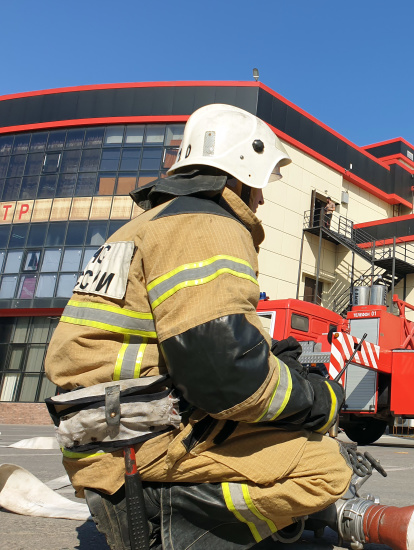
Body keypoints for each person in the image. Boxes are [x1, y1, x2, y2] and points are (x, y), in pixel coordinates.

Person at [44, 104, 352, 549]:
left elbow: (184, 342)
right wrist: (317, 400)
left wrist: (268, 358)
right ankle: (156, 516)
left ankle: (154, 499)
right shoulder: (206, 225)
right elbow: (226, 381)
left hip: (104, 431)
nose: (262, 199)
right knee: (324, 468)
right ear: (240, 173)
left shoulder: (142, 226)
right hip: (138, 443)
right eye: (260, 185)